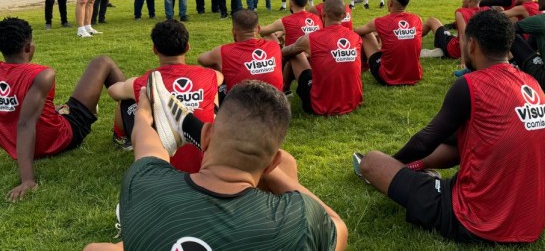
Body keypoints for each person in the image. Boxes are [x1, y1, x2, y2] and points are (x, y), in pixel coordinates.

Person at [353, 10, 545, 245]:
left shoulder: (470, 84)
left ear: (472, 44)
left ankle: (407, 168)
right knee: (464, 136)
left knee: (372, 162)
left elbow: (425, 140)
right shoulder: (530, 81)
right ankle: (419, 167)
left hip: (478, 221)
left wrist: (395, 164)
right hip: (532, 220)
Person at [84, 79, 348, 250]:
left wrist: (143, 116)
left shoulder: (144, 183)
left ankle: (189, 126)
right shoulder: (298, 219)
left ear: (207, 136)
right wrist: (271, 170)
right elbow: (338, 226)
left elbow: (146, 148)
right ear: (272, 163)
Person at [0, 17, 125, 201]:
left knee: (55, 108)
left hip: (19, 145)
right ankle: (130, 122)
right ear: (28, 47)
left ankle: (64, 110)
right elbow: (26, 124)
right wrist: (27, 180)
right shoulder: (41, 74)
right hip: (60, 138)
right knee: (102, 62)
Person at [107, 19, 222, 172]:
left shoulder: (144, 82)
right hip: (205, 160)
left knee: (126, 100)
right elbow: (219, 76)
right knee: (213, 91)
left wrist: (132, 84)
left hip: (162, 161)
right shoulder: (210, 75)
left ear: (155, 49)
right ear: (187, 47)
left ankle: (121, 138)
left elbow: (113, 91)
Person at [282, 0, 363, 115]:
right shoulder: (355, 37)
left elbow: (284, 52)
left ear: (323, 14)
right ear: (344, 15)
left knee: (297, 55)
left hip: (319, 106)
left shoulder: (311, 38)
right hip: (353, 102)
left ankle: (285, 90)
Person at [198, 9, 284, 94]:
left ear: (233, 32)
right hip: (276, 104)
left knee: (214, 69)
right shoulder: (274, 46)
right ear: (258, 29)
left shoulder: (223, 51)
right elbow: (269, 34)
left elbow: (201, 59)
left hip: (241, 105)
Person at [355, 0, 422, 86]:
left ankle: (363, 66)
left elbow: (356, 32)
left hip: (388, 77)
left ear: (390, 3)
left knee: (366, 35)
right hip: (415, 75)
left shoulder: (380, 22)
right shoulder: (417, 19)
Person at [420, 0, 486, 65]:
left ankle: (410, 38)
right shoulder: (487, 10)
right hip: (477, 51)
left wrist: (463, 62)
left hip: (453, 50)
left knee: (431, 21)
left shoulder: (461, 12)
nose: (462, 1)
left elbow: (463, 36)